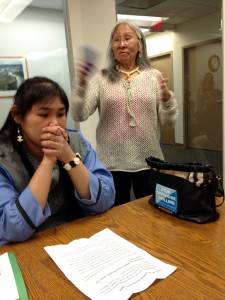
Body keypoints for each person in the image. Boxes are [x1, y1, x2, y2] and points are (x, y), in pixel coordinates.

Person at [71, 20, 178, 206]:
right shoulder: (102, 78)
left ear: (140, 45)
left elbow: (168, 121)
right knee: (114, 216)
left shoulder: (153, 77)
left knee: (153, 215)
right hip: (111, 161)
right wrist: (80, 88)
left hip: (148, 160)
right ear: (112, 47)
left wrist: (167, 99)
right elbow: (79, 115)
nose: (121, 44)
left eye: (127, 38)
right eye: (116, 40)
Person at [0, 76, 115, 245]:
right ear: (17, 115)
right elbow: (11, 228)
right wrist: (48, 161)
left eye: (61, 114)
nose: (55, 124)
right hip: (29, 246)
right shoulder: (4, 156)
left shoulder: (76, 142)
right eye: (44, 114)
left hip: (80, 237)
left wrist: (68, 156)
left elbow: (105, 200)